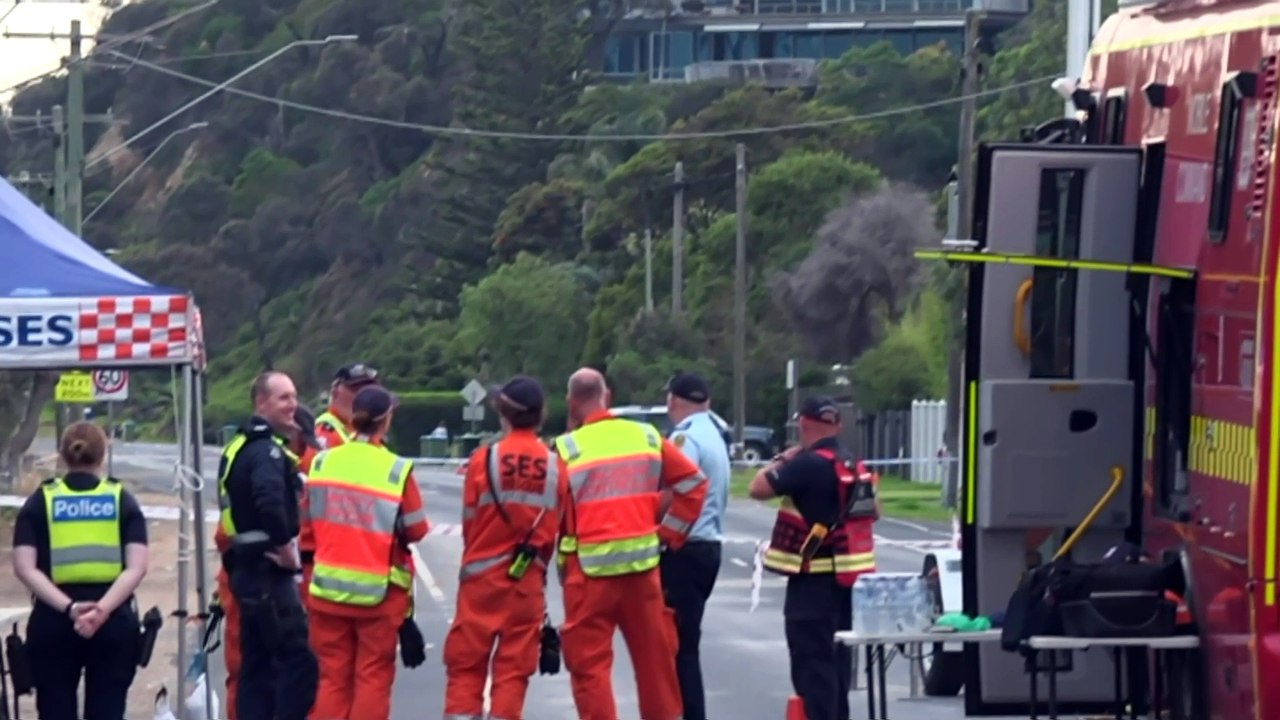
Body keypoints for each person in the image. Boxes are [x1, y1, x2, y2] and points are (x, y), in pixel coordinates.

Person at [554, 367, 708, 720]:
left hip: (589, 576)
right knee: (657, 666)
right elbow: (693, 485)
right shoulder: (647, 437)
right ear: (607, 396)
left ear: (571, 402)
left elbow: (555, 516)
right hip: (642, 574)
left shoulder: (567, 448)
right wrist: (668, 535)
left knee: (590, 670)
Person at [747, 396, 880, 720]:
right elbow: (874, 511)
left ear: (803, 425)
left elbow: (758, 488)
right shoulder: (852, 464)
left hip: (812, 585)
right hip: (847, 583)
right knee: (837, 667)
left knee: (812, 670)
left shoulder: (806, 464)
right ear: (838, 426)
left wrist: (784, 457)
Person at [443, 375, 567, 720]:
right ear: (541, 415)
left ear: (503, 413)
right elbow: (555, 530)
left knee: (466, 668)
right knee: (513, 674)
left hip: (481, 583)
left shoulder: (483, 460)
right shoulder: (556, 468)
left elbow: (470, 524)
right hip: (526, 584)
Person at [305, 385, 430, 720]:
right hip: (378, 595)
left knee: (332, 678)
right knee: (372, 677)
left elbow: (307, 523)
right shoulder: (395, 470)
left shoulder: (322, 463)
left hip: (327, 590)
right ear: (385, 420)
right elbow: (416, 529)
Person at [11, 421, 149, 720]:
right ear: (103, 455)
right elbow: (137, 567)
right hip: (113, 621)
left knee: (55, 710)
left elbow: (24, 567)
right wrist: (101, 611)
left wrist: (70, 608)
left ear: (62, 455)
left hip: (54, 620)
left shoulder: (40, 501)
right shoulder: (121, 499)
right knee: (108, 710)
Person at [218, 371, 318, 720]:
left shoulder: (240, 446)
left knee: (256, 667)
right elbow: (269, 501)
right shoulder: (267, 452)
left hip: (246, 568)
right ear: (261, 403)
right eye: (284, 398)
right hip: (269, 571)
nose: (293, 405)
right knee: (300, 662)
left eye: (294, 396)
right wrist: (286, 548)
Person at [660, 371, 731, 720]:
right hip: (708, 548)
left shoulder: (684, 439)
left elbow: (675, 490)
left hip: (684, 550)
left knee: (678, 649)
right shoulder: (715, 434)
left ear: (672, 400)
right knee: (686, 645)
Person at [314, 362, 382, 450]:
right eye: (356, 389)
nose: (364, 396)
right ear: (335, 391)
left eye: (369, 390)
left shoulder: (367, 433)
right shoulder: (325, 434)